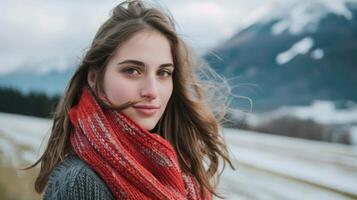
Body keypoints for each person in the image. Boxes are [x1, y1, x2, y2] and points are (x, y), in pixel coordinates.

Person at [27, 0, 235, 199]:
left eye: (163, 73)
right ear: (94, 77)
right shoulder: (82, 184)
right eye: (132, 71)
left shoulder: (182, 176)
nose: (152, 91)